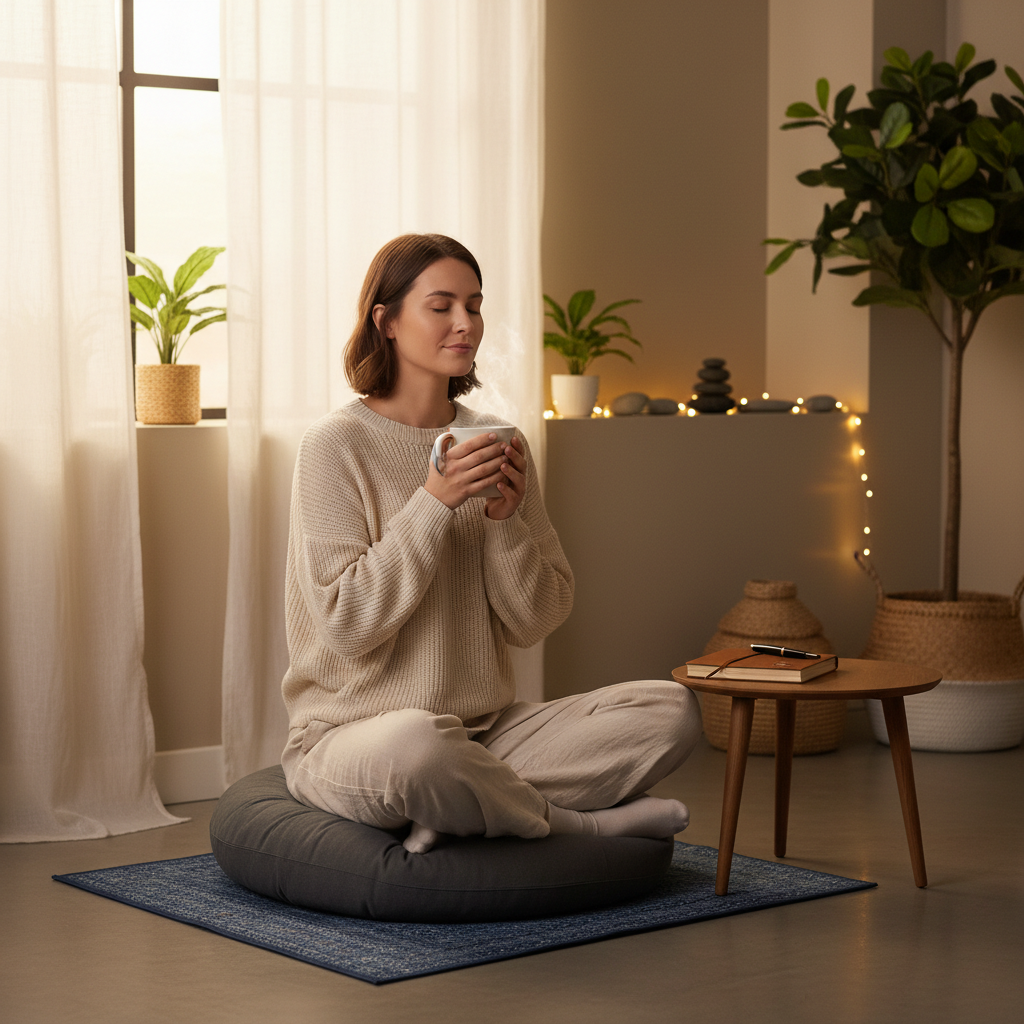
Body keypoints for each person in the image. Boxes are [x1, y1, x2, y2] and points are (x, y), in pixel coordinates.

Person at [280, 233, 702, 854]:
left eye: (474, 306)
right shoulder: (333, 447)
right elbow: (347, 624)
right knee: (419, 748)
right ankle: (575, 825)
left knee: (672, 711)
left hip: (487, 731)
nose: (465, 324)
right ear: (387, 320)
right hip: (354, 735)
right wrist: (435, 503)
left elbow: (539, 617)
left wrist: (504, 524)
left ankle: (461, 804)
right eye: (442, 305)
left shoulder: (497, 440)